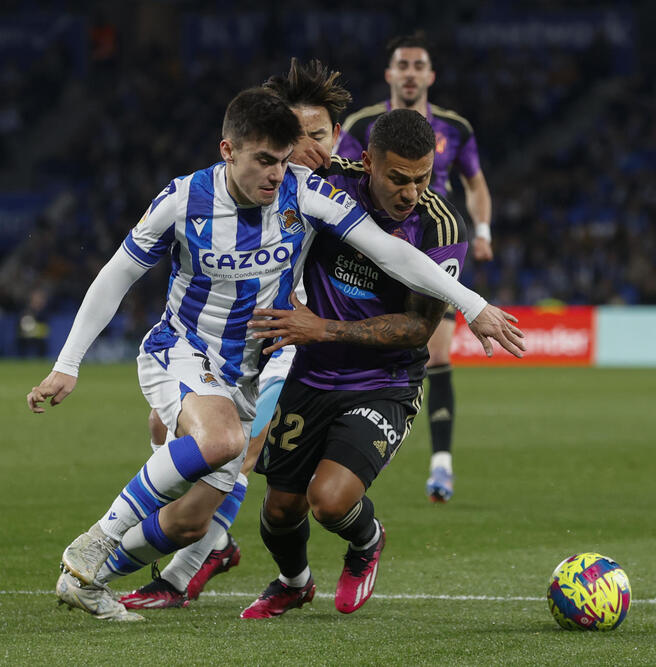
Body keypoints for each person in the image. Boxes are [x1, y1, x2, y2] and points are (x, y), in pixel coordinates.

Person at [28, 86, 524, 622]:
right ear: (228, 151)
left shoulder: (304, 192)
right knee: (225, 443)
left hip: (247, 374)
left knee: (192, 522)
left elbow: (391, 251)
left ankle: (90, 580)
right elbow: (116, 275)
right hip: (183, 350)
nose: (276, 173)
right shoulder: (182, 200)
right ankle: (95, 543)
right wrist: (68, 363)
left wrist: (471, 304)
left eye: (283, 160)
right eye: (265, 160)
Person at [240, 108, 486, 618]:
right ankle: (294, 582)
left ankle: (366, 541)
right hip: (313, 372)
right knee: (279, 510)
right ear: (368, 162)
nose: (410, 192)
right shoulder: (331, 182)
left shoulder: (440, 225)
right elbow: (250, 164)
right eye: (397, 178)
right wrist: (290, 151)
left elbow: (420, 326)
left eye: (420, 179)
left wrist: (322, 328)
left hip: (385, 381)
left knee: (329, 500)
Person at [118, 59, 342, 609]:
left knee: (239, 453)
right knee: (168, 424)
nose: (307, 146)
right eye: (297, 135)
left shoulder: (349, 189)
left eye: (318, 134)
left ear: (338, 134)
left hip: (298, 342)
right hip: (242, 337)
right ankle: (204, 539)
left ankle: (183, 568)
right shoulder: (271, 181)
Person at [337, 32, 494, 503]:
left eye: (417, 65)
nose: (409, 73)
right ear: (390, 74)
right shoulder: (365, 123)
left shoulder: (455, 128)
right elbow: (337, 171)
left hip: (433, 246)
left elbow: (477, 184)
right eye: (401, 65)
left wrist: (482, 232)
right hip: (370, 247)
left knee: (436, 348)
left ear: (430, 75)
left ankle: (441, 464)